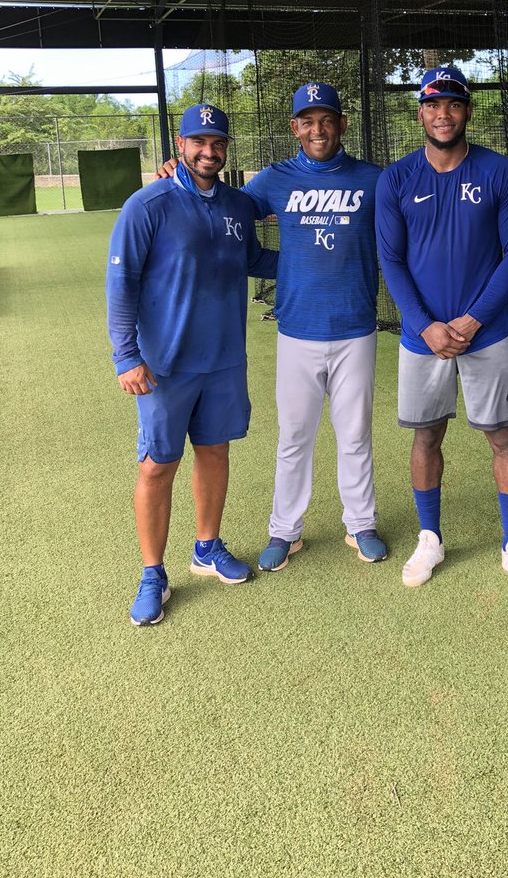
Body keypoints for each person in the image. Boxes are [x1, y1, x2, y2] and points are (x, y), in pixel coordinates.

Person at [154, 83, 385, 572]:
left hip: (355, 327)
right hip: (297, 329)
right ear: (294, 127)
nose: (317, 128)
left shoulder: (372, 179)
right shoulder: (274, 180)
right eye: (307, 120)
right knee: (294, 435)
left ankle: (361, 523)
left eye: (327, 119)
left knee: (355, 433)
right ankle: (285, 530)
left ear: (342, 124)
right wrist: (177, 178)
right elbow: (220, 205)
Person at [107, 103, 279, 626]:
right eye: (199, 141)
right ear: (180, 146)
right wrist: (126, 356)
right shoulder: (147, 204)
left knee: (214, 452)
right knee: (158, 465)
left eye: (218, 142)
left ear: (227, 148)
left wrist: (320, 255)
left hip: (223, 360)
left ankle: (206, 547)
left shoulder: (236, 203)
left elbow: (252, 259)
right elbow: (122, 282)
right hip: (163, 366)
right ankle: (153, 573)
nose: (209, 151)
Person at [375, 66, 508, 596]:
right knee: (427, 436)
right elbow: (391, 258)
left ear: (467, 111)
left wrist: (471, 319)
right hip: (422, 338)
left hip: (485, 333)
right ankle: (430, 537)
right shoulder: (397, 178)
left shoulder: (499, 172)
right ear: (420, 113)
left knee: (502, 437)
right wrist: (425, 326)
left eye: (452, 104)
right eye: (431, 105)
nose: (442, 113)